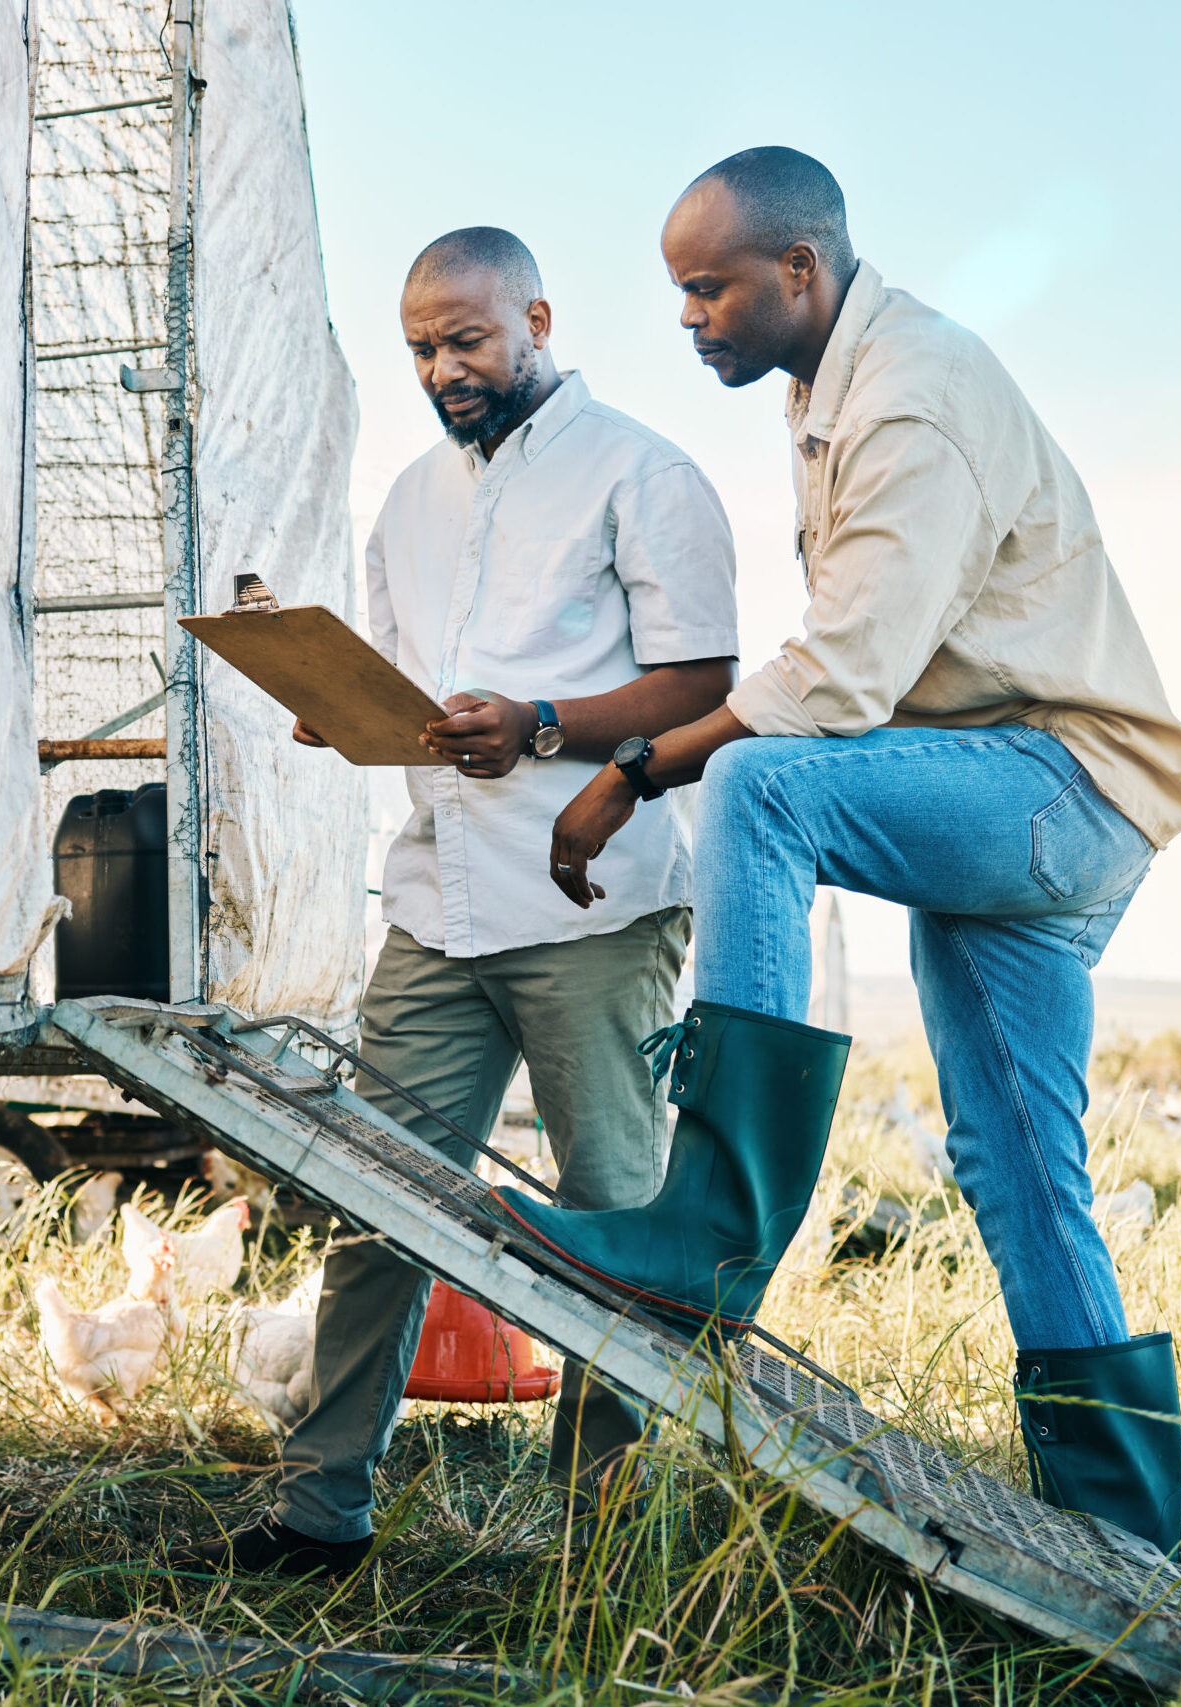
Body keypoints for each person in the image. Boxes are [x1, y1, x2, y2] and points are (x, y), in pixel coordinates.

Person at [491, 151, 1181, 1558]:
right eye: (680, 291)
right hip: (1008, 787)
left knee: (762, 785)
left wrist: (632, 770)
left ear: (800, 269)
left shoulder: (910, 396)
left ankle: (710, 1227)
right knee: (1015, 1158)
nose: (688, 317)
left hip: (1055, 787)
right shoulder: (832, 384)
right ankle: (1124, 1527)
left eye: (710, 288)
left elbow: (842, 677)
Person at [184, 227, 740, 1579]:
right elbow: (412, 691)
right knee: (376, 1199)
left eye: (468, 340)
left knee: (613, 1222)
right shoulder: (409, 503)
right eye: (422, 348)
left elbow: (704, 685)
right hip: (436, 904)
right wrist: (343, 709)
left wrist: (539, 722)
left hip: (593, 906)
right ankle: (322, 1516)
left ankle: (602, 1546)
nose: (444, 369)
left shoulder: (644, 472)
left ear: (537, 320)